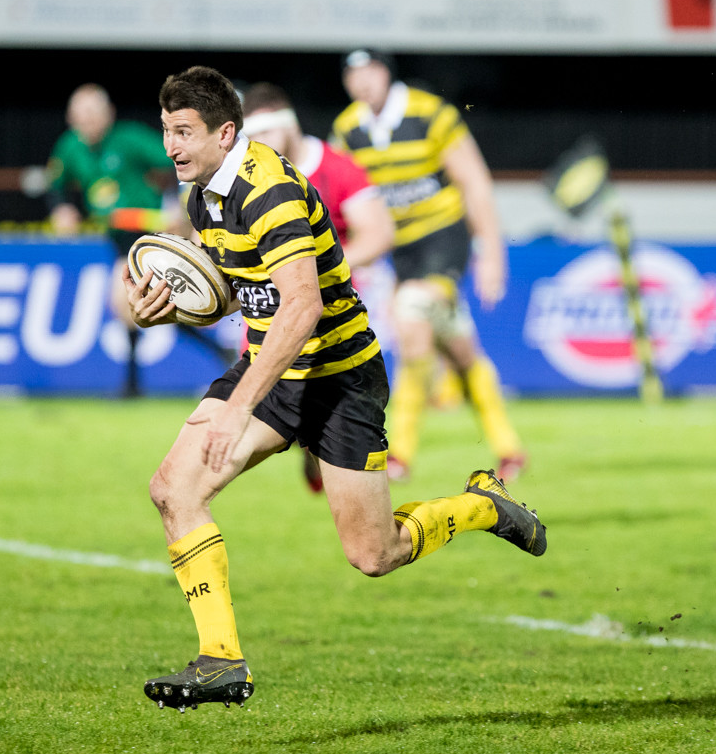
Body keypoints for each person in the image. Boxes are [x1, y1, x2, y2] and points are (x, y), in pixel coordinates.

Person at [124, 66, 546, 712]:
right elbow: (244, 290)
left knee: (376, 555)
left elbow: (303, 305)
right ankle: (221, 663)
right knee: (173, 489)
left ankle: (484, 505)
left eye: (184, 132)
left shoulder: (270, 192)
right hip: (273, 368)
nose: (171, 147)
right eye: (166, 132)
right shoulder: (202, 196)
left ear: (224, 131)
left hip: (339, 375)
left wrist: (238, 409)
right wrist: (176, 308)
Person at [331, 48, 527, 484]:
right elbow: (345, 198)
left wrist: (492, 252)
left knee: (412, 321)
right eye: (353, 75)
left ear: (386, 73)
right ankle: (509, 448)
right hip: (400, 251)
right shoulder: (347, 130)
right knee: (458, 349)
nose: (363, 82)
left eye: (371, 71)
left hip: (445, 238)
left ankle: (398, 453)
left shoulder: (430, 113)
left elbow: (474, 180)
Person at [240, 81, 396, 494]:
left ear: (289, 123)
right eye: (251, 137)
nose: (261, 144)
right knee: (266, 410)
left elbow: (378, 233)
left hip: (331, 319)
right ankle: (313, 448)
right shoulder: (247, 179)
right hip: (266, 319)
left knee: (317, 411)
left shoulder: (338, 168)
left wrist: (311, 267)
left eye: (267, 133)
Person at [46, 83, 182, 397]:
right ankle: (212, 353)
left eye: (93, 113)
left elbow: (174, 162)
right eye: (80, 115)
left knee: (126, 302)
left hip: (148, 233)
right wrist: (63, 209)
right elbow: (56, 185)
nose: (87, 121)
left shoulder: (129, 138)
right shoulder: (70, 146)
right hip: (116, 237)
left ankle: (132, 383)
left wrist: (175, 207)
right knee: (145, 305)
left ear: (109, 114)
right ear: (70, 118)